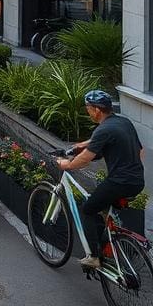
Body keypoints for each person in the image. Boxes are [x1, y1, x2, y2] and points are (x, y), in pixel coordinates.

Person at [57, 90, 145, 269]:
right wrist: (82, 144)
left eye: (88, 108)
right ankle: (106, 241)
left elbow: (86, 159)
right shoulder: (122, 122)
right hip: (137, 181)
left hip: (119, 182)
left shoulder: (103, 129)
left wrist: (67, 165)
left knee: (88, 210)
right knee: (101, 206)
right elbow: (139, 151)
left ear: (97, 110)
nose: (87, 111)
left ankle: (94, 257)